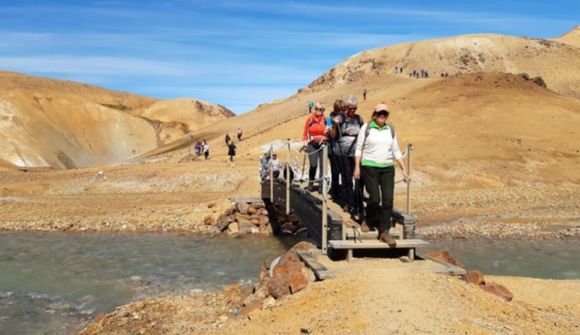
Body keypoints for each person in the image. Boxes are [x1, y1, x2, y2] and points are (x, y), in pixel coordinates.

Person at [354, 103, 410, 247]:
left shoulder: (390, 129)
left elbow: (396, 150)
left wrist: (404, 169)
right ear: (374, 114)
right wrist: (357, 167)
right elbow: (359, 149)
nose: (382, 116)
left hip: (387, 168)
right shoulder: (366, 128)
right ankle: (369, 219)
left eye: (385, 113)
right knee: (374, 198)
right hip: (369, 166)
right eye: (379, 113)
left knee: (388, 200)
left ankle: (384, 231)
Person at [330, 95, 363, 210]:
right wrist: (334, 125)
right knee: (346, 177)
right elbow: (333, 135)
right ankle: (348, 202)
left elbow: (363, 133)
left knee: (357, 177)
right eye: (350, 108)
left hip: (356, 153)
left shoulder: (359, 119)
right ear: (347, 108)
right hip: (342, 152)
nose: (352, 110)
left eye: (354, 108)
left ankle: (356, 199)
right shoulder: (341, 117)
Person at [302, 102, 328, 191]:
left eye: (320, 109)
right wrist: (305, 143)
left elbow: (329, 130)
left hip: (323, 144)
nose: (318, 111)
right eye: (316, 108)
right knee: (313, 165)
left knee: (322, 166)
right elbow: (305, 132)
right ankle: (311, 184)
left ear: (323, 110)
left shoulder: (326, 119)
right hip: (312, 144)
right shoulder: (310, 119)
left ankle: (321, 186)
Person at [326, 99, 346, 199]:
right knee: (335, 171)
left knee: (344, 171)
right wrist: (334, 125)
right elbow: (330, 134)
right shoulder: (330, 119)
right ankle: (335, 191)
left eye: (343, 109)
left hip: (345, 149)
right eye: (339, 110)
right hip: (333, 149)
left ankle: (344, 190)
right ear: (335, 110)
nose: (341, 112)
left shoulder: (346, 118)